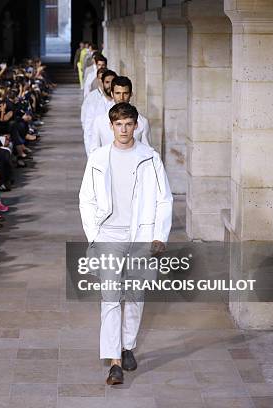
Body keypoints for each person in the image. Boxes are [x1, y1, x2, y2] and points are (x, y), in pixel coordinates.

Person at [78, 103, 172, 385]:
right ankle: (114, 362)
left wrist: (159, 235)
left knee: (134, 295)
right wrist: (94, 234)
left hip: (139, 236)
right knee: (110, 297)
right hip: (108, 235)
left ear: (136, 126)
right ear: (111, 126)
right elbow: (86, 198)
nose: (123, 129)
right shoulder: (98, 158)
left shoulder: (150, 158)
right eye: (118, 124)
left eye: (128, 124)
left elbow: (164, 198)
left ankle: (127, 346)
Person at [81, 68, 117, 155]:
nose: (110, 85)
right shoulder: (93, 105)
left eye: (112, 82)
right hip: (100, 152)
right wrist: (91, 155)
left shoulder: (122, 105)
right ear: (102, 83)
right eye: (107, 82)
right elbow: (88, 131)